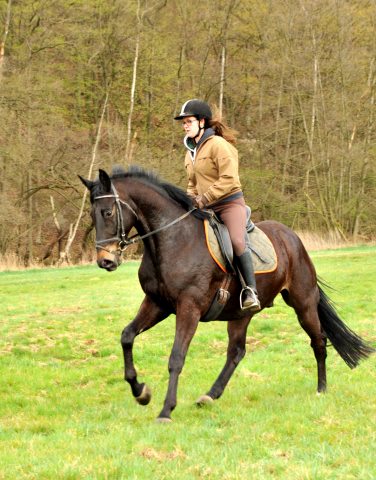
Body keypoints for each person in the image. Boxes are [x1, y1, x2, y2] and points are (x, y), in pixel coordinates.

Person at [174, 99, 261, 311]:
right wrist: (189, 199)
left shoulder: (220, 146)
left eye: (189, 121)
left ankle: (250, 291)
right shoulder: (190, 152)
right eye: (183, 122)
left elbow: (229, 179)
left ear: (202, 122)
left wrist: (203, 198)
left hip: (229, 204)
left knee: (237, 241)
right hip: (206, 208)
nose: (185, 126)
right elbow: (192, 183)